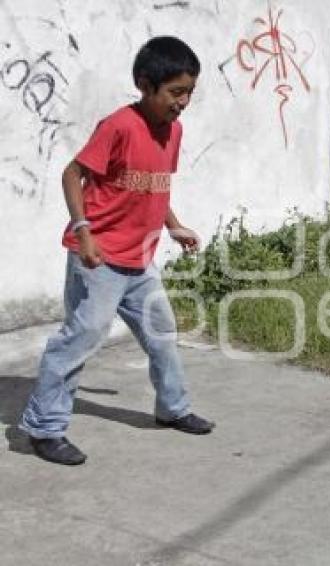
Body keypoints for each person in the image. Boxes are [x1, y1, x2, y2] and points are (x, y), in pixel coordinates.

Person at [19, 36, 215, 466]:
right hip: (99, 259)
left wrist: (174, 225)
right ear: (145, 84)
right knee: (79, 341)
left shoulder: (174, 131)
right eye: (175, 92)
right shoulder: (119, 126)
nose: (182, 103)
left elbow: (155, 186)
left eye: (189, 93)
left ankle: (173, 408)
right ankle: (43, 428)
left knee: (163, 336)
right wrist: (83, 230)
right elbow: (73, 175)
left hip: (139, 263)